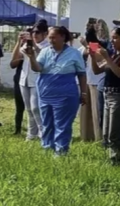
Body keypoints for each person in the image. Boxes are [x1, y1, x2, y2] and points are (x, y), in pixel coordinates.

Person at [23, 25, 90, 157]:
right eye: (49, 37)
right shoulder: (45, 51)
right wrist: (31, 57)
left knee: (62, 124)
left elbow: (82, 74)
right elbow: (37, 68)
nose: (50, 40)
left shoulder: (74, 53)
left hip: (66, 94)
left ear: (62, 37)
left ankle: (61, 151)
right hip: (46, 93)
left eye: (53, 37)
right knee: (47, 123)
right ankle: (47, 148)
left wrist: (83, 93)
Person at [10, 20, 50, 142]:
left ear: (45, 33)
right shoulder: (27, 44)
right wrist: (19, 42)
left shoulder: (47, 46)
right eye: (33, 32)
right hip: (24, 79)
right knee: (28, 109)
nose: (34, 35)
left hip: (37, 80)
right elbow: (15, 59)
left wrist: (33, 45)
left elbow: (40, 54)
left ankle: (44, 134)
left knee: (36, 108)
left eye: (37, 32)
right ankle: (31, 134)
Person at [89, 26, 120, 165]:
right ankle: (110, 157)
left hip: (117, 96)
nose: (112, 41)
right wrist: (92, 57)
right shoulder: (113, 54)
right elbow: (96, 71)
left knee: (114, 131)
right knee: (106, 131)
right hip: (107, 94)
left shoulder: (112, 56)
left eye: (115, 38)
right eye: (112, 37)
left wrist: (107, 58)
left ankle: (115, 159)